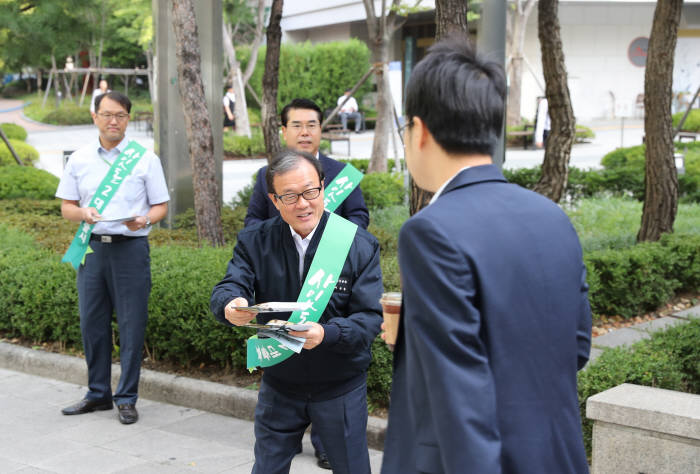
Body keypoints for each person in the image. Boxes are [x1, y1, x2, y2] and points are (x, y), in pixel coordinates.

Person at [381, 37, 592, 474]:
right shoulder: (552, 217)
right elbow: (576, 344)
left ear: (418, 131)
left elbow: (460, 400)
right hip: (557, 456)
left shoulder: (430, 231)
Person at [211, 149, 382, 474]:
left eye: (310, 192)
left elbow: (370, 320)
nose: (303, 204)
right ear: (274, 200)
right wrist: (231, 305)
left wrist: (326, 334)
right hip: (280, 381)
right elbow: (229, 285)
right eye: (290, 196)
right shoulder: (255, 241)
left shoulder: (356, 244)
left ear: (323, 186)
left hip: (340, 386)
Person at [56, 91, 170, 425]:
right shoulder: (78, 159)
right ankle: (97, 394)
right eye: (106, 114)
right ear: (95, 117)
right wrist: (82, 213)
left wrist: (145, 220)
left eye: (120, 115)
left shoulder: (145, 159)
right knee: (92, 323)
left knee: (132, 325)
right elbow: (66, 208)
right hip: (91, 249)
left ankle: (127, 397)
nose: (113, 121)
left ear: (128, 119)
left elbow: (160, 206)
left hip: (130, 249)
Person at [245, 98, 369, 230]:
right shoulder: (266, 174)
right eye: (297, 126)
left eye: (311, 126)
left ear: (320, 130)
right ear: (285, 132)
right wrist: (278, 238)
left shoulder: (343, 174)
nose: (304, 132)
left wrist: (334, 240)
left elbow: (359, 217)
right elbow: (253, 220)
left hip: (331, 249)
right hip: (280, 249)